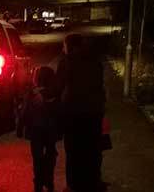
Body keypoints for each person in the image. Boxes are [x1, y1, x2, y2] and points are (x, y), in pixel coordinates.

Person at [56, 34, 106, 192]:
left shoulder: (66, 62)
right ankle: (93, 181)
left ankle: (74, 184)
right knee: (92, 148)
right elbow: (99, 85)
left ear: (69, 46)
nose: (62, 49)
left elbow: (59, 86)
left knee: (73, 150)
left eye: (64, 45)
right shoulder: (95, 61)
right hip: (94, 112)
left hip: (73, 112)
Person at [17, 66, 63, 192]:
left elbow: (24, 112)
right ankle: (49, 180)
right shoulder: (54, 95)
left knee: (37, 157)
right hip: (50, 130)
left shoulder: (32, 94)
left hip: (35, 131)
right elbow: (60, 112)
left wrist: (20, 128)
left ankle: (38, 182)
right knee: (50, 154)